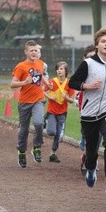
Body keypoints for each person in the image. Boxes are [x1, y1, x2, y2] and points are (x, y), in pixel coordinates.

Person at [69, 28, 106, 195]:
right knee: (91, 150)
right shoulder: (89, 64)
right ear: (97, 44)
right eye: (103, 41)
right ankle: (91, 168)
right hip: (88, 113)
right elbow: (73, 82)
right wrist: (87, 86)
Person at [10, 40, 47, 168]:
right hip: (25, 102)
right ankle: (21, 151)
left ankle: (36, 147)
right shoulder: (21, 66)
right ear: (26, 52)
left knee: (39, 123)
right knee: (24, 130)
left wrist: (47, 83)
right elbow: (12, 84)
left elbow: (40, 75)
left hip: (38, 99)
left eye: (36, 50)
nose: (34, 52)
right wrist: (24, 82)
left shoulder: (41, 63)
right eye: (32, 50)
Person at [44, 61, 76, 163]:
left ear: (66, 71)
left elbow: (72, 100)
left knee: (59, 136)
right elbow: (43, 90)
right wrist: (50, 97)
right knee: (51, 132)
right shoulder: (52, 81)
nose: (59, 71)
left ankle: (53, 153)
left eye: (61, 69)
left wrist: (66, 97)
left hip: (62, 112)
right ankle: (46, 122)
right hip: (52, 111)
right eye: (57, 69)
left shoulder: (69, 84)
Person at [77, 45, 97, 152]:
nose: (92, 59)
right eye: (89, 57)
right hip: (86, 106)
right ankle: (85, 146)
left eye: (94, 56)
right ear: (84, 58)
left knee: (98, 135)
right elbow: (75, 83)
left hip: (102, 107)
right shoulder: (83, 69)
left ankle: (92, 159)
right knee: (86, 131)